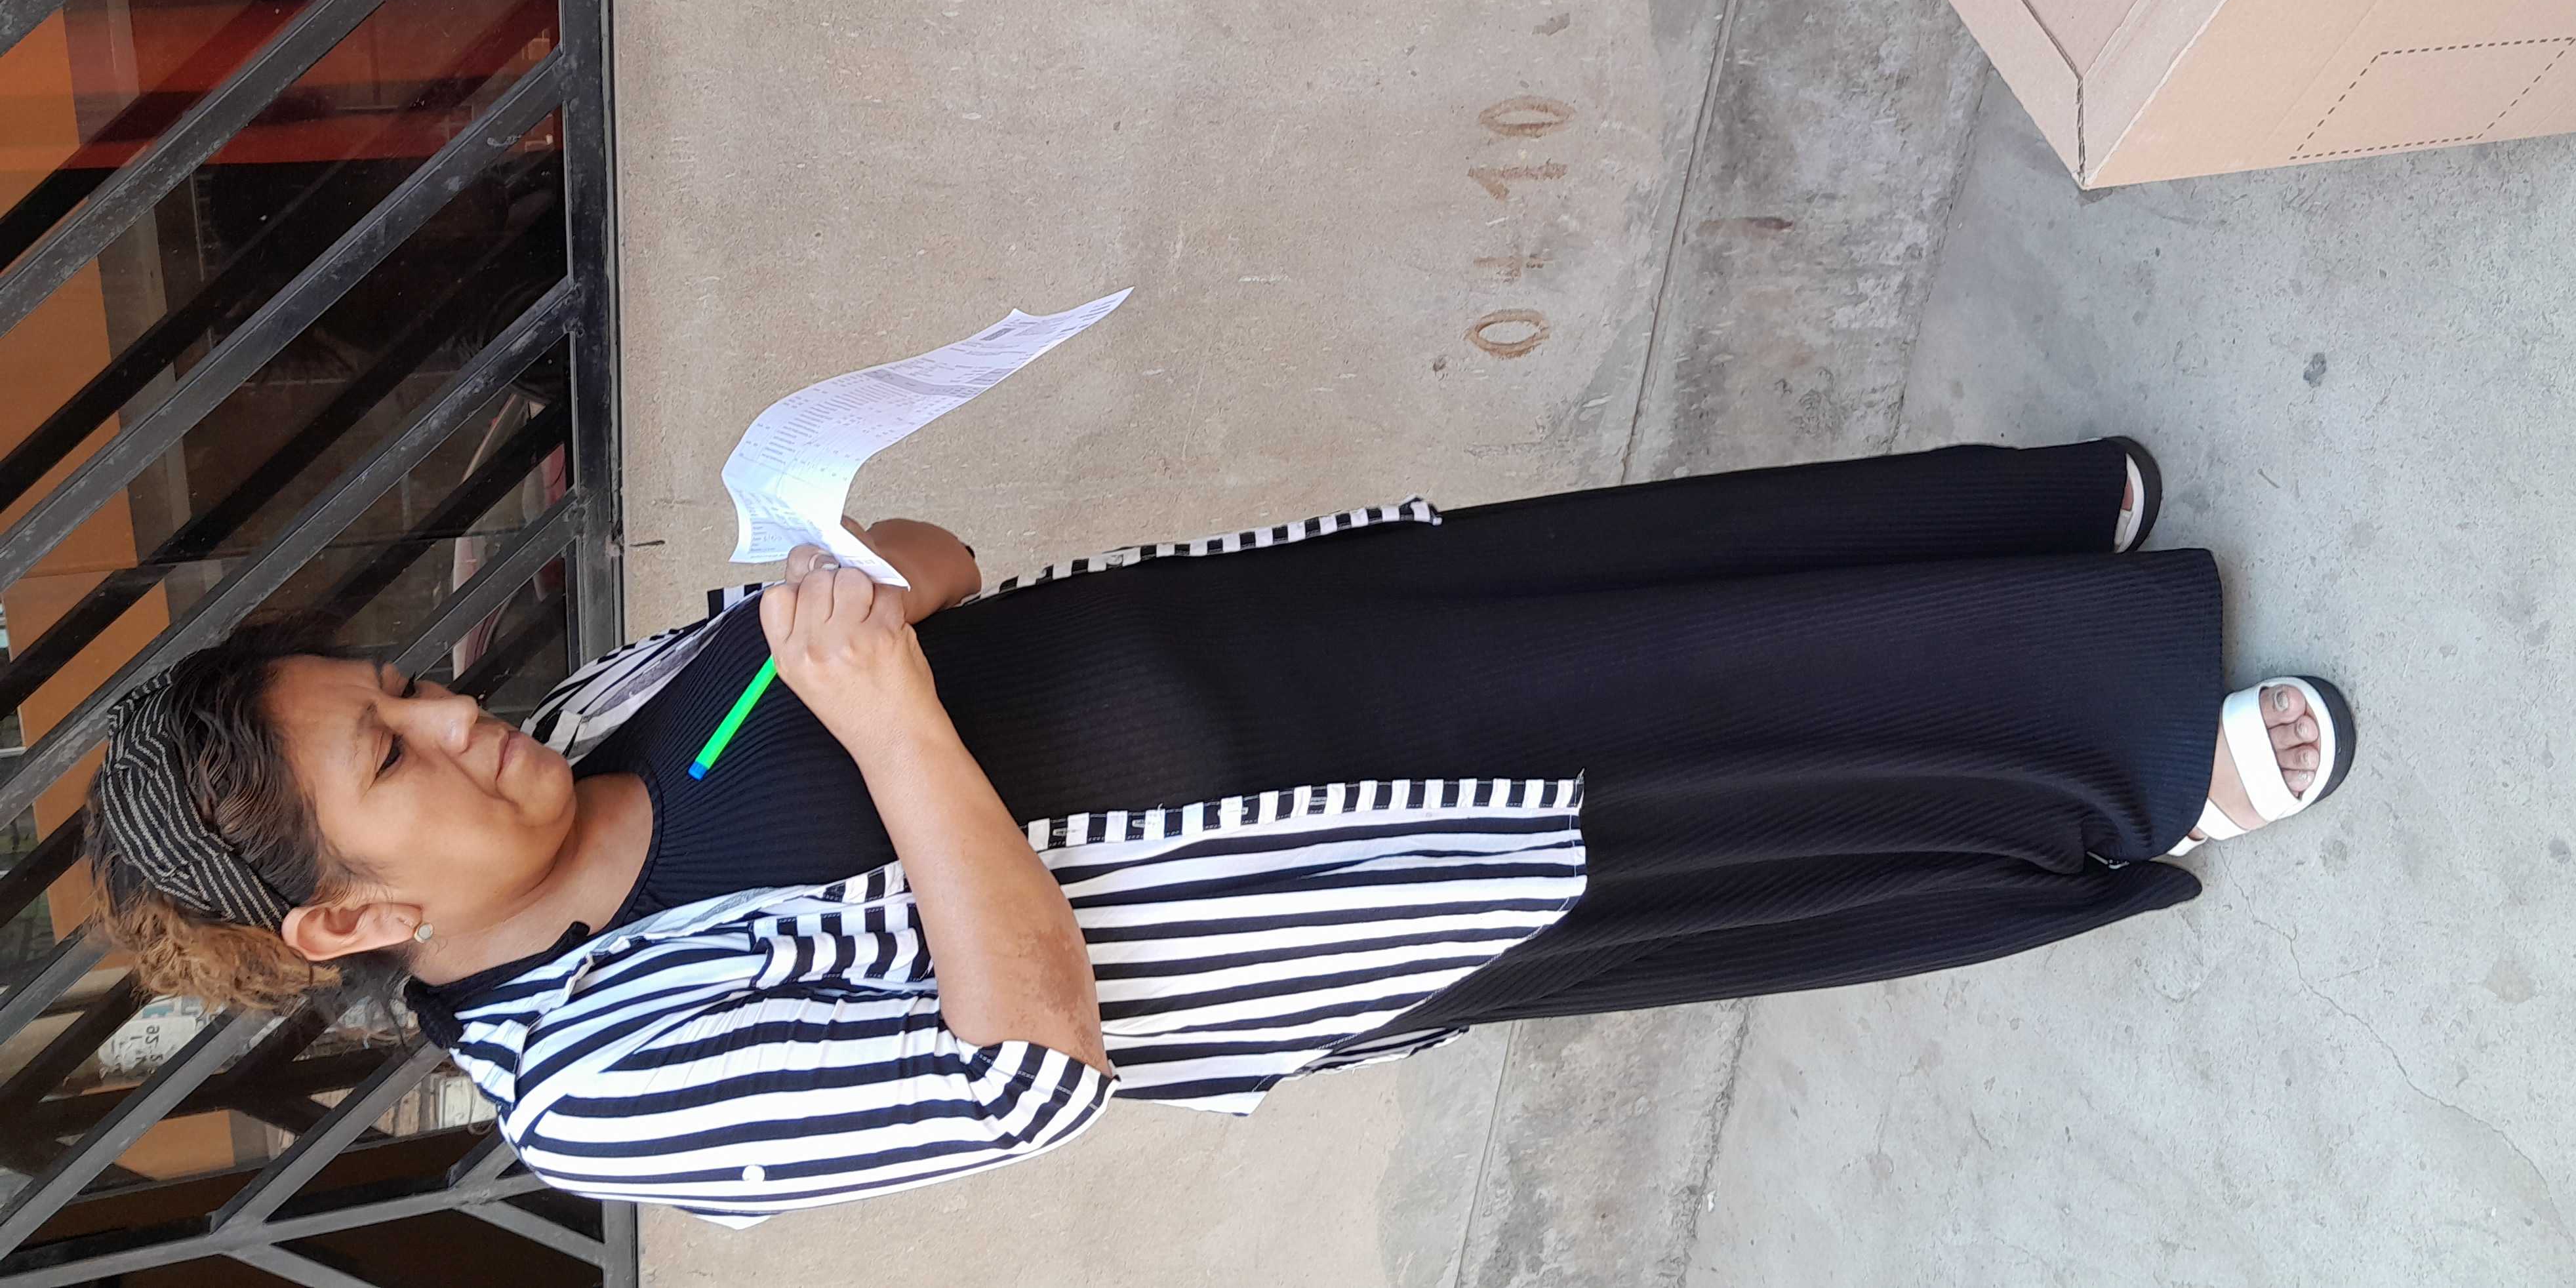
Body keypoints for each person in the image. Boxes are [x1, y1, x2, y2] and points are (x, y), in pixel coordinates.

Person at [83, 440, 2351, 1225]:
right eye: (396, 751)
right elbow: (1020, 1074)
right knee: (1720, 785)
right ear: (352, 915)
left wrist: (866, 578)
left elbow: (929, 577)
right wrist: (888, 724)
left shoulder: (591, 719)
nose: (456, 709)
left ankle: (2033, 552)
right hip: (1339, 880)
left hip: (1297, 638)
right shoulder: (596, 1082)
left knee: (1653, 607)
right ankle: (2146, 763)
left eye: (400, 681)